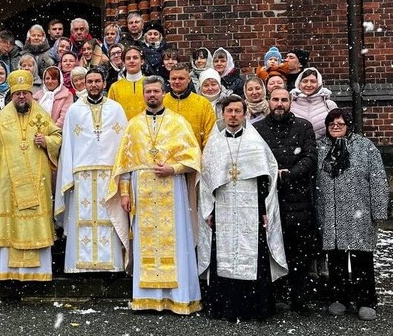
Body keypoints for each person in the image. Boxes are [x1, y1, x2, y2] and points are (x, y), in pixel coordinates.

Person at [106, 75, 202, 313]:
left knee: (176, 241)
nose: (152, 95)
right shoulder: (134, 125)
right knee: (144, 243)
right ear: (144, 95)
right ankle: (147, 299)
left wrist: (174, 168)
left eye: (156, 92)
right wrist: (125, 194)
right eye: (148, 92)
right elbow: (125, 165)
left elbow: (193, 157)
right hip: (142, 192)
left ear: (163, 93)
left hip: (173, 190)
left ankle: (177, 298)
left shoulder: (179, 123)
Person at [198, 95, 288, 321]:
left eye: (238, 111)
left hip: (251, 208)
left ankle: (254, 308)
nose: (233, 116)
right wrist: (209, 210)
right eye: (229, 111)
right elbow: (207, 179)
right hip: (224, 208)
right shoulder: (215, 143)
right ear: (223, 114)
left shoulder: (255, 142)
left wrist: (265, 209)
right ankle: (224, 307)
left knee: (253, 255)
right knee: (224, 255)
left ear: (245, 114)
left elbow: (266, 177)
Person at [0, 70, 62, 283]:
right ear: (12, 95)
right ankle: (10, 275)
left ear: (31, 94)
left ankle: (38, 274)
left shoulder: (40, 114)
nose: (22, 97)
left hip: (37, 180)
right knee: (11, 229)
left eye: (25, 93)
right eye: (18, 94)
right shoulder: (2, 117)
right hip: (9, 183)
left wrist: (47, 141)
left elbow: (57, 136)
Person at [316, 109, 389, 321]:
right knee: (336, 258)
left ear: (349, 125)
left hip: (360, 213)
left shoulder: (365, 146)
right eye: (332, 124)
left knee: (361, 258)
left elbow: (377, 180)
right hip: (331, 213)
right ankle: (339, 298)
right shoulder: (321, 148)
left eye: (340, 123)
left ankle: (366, 300)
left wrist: (378, 209)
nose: (336, 127)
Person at [254, 88, 319, 316]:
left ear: (290, 102)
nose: (279, 104)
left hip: (298, 198)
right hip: (270, 198)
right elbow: (255, 161)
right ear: (268, 102)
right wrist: (272, 176)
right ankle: (276, 297)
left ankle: (299, 298)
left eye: (283, 100)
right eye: (275, 100)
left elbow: (310, 157)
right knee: (272, 249)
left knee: (299, 252)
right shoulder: (257, 129)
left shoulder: (304, 127)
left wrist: (288, 174)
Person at [55, 69, 128, 274]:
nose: (94, 85)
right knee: (82, 219)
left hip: (109, 174)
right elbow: (68, 144)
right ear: (84, 84)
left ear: (104, 83)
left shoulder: (116, 109)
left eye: (98, 81)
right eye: (90, 81)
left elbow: (123, 144)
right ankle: (80, 268)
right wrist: (68, 175)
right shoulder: (74, 110)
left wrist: (122, 174)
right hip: (82, 174)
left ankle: (111, 266)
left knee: (109, 217)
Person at [163, 64, 217, 148]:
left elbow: (210, 135)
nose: (177, 81)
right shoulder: (161, 102)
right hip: (165, 157)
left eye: (181, 78)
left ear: (189, 79)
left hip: (194, 156)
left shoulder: (203, 104)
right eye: (173, 78)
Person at [290, 67, 338, 140]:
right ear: (299, 83)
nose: (309, 85)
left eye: (313, 81)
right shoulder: (290, 104)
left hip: (324, 148)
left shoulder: (329, 105)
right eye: (305, 81)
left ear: (318, 83)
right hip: (297, 148)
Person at [108, 46, 147, 120]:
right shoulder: (115, 87)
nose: (131, 61)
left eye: (135, 58)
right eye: (128, 58)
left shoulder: (150, 84)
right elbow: (110, 113)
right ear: (123, 62)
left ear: (142, 61)